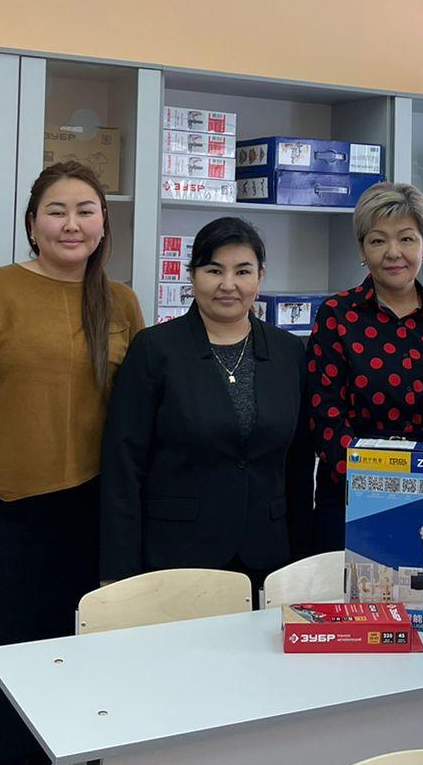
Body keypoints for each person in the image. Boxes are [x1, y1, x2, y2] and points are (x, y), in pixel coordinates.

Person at [0, 161, 144, 765]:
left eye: (85, 211)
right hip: (2, 519)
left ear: (103, 224)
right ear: (32, 224)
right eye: (57, 211)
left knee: (82, 678)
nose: (72, 224)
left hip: (93, 521)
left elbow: (137, 417)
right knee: (0, 678)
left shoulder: (121, 303)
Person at [99, 217, 312, 592]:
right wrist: (119, 571)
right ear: (192, 275)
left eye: (242, 271)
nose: (228, 284)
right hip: (176, 556)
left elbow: (298, 465)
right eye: (214, 270)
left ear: (260, 276)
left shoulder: (288, 352)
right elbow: (123, 466)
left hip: (268, 556)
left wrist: (302, 563)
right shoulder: (155, 350)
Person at [306, 181, 423, 552]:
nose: (393, 252)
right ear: (362, 250)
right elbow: (325, 415)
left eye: (407, 238)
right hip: (350, 495)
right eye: (378, 240)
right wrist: (377, 484)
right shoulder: (337, 315)